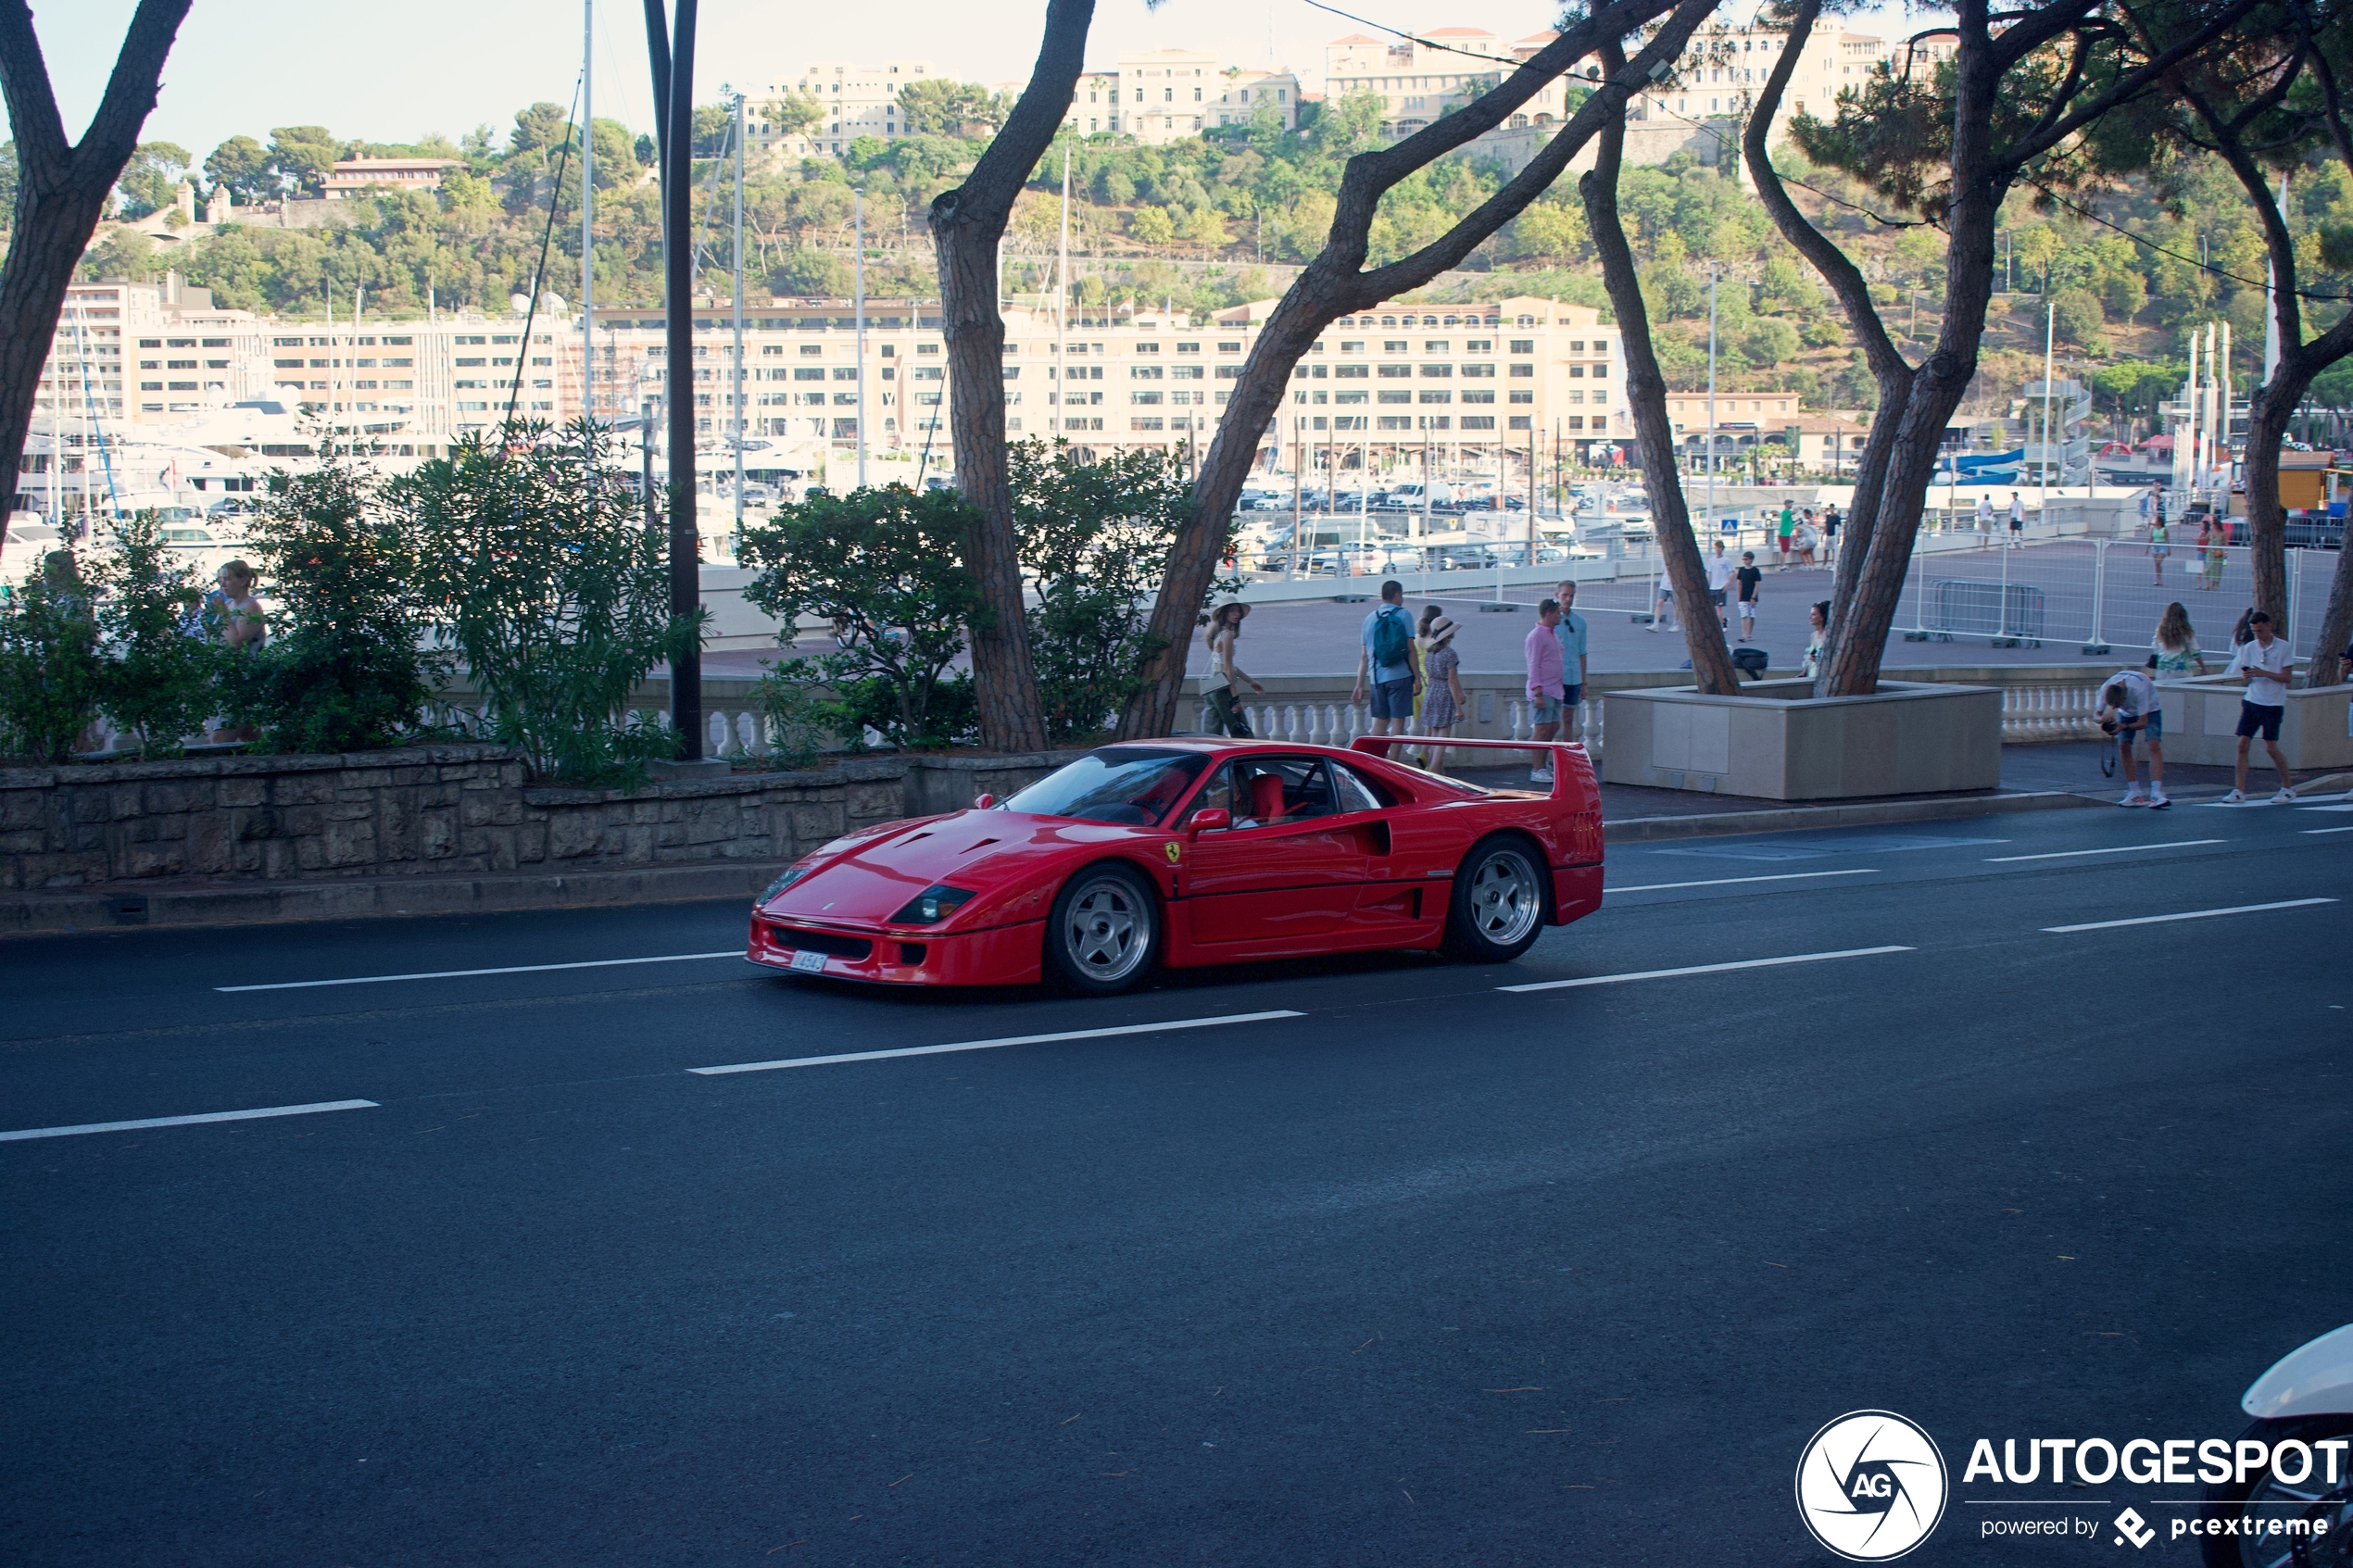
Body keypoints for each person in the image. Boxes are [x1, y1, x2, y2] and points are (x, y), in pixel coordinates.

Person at [2221, 610, 2296, 803]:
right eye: (2255, 631)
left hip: (2273, 703)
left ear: (2269, 627)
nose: (2258, 635)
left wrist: (2264, 673)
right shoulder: (2249, 648)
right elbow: (2246, 676)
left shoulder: (2284, 648)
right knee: (2242, 744)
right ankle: (2239, 790)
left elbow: (2286, 678)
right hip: (2253, 700)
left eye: (2261, 630)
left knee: (2271, 747)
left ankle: (2287, 787)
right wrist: (2248, 676)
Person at [1352, 579, 1419, 737]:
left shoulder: (1369, 619)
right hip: (1399, 675)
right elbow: (1411, 649)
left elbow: (1364, 656)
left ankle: (1373, 760)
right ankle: (1392, 760)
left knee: (1381, 722)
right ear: (1397, 595)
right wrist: (1417, 677)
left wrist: (1360, 684)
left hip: (1376, 678)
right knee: (1398, 721)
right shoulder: (1404, 614)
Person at [2095, 668, 2168, 808]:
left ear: (2125, 696)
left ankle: (2157, 792)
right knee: (2124, 745)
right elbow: (2095, 715)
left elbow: (2143, 722)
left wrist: (2124, 727)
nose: (2116, 708)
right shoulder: (2106, 687)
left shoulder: (2139, 689)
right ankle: (2134, 792)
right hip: (2127, 714)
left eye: (2119, 705)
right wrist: (2103, 719)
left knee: (2153, 743)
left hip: (2151, 709)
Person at [1200, 602, 1262, 737]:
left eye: (1238, 611)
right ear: (1224, 613)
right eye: (1232, 611)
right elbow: (1228, 669)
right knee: (1241, 730)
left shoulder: (1219, 635)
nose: (1237, 615)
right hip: (1222, 686)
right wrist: (1235, 699)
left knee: (1211, 732)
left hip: (1213, 684)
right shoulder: (1227, 635)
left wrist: (1250, 681)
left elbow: (1227, 665)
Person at [1524, 598, 1567, 784]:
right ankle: (1537, 768)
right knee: (1541, 729)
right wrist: (1537, 691)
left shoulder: (1553, 634)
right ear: (1549, 613)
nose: (1560, 616)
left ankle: (1544, 763)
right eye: (1557, 613)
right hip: (1544, 689)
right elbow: (1533, 665)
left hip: (1556, 688)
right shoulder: (1535, 636)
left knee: (1553, 727)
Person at [1417, 612, 1466, 773]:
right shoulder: (1450, 654)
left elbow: (1431, 677)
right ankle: (1433, 769)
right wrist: (1458, 708)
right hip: (1444, 694)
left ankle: (1437, 770)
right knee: (1443, 735)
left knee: (1434, 734)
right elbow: (1452, 681)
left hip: (1431, 692)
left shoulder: (1430, 655)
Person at [1553, 578, 1590, 740]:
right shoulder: (1551, 620)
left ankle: (1566, 754)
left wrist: (1584, 682)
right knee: (1551, 719)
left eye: (1571, 596)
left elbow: (1582, 653)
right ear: (1557, 595)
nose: (1568, 599)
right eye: (1565, 595)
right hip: (1555, 676)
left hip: (1573, 676)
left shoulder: (1580, 622)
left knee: (1568, 717)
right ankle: (1547, 756)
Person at [2152, 601, 2206, 677]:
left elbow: (2155, 646)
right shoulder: (2186, 631)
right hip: (2181, 669)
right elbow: (2195, 651)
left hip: (2163, 669)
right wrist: (2202, 667)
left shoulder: (2160, 629)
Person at [1705, 538, 1734, 628]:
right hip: (1712, 587)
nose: (1718, 549)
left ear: (1722, 549)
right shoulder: (1711, 560)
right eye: (1716, 547)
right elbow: (1709, 573)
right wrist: (1707, 585)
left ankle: (1722, 625)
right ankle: (1722, 620)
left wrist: (1727, 584)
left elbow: (1733, 572)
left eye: (1720, 547)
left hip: (1721, 586)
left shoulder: (1726, 560)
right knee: (1713, 607)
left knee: (1718, 607)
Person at [1733, 550, 1763, 642]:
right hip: (1743, 596)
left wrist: (1753, 597)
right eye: (1743, 559)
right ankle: (1744, 634)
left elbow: (1757, 584)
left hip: (1752, 597)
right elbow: (1739, 583)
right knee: (1743, 616)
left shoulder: (1755, 571)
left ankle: (1749, 634)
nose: (1744, 561)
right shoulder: (1741, 570)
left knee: (1751, 616)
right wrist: (1738, 595)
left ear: (1751, 560)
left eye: (1746, 559)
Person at [1802, 599, 1831, 679]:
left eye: (1814, 614)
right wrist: (1804, 672)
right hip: (1812, 675)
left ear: (1822, 617)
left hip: (1823, 677)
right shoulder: (1813, 636)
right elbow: (1810, 659)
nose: (1810, 617)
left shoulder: (1828, 637)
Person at [2148, 514, 2170, 585]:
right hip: (2155, 545)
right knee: (2156, 564)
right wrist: (2147, 548)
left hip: (2162, 545)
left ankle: (2159, 577)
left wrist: (2169, 549)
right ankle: (2158, 579)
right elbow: (2150, 539)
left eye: (2156, 520)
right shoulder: (2153, 529)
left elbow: (2167, 540)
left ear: (2159, 522)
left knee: (2158, 562)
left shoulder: (2164, 530)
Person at [1776, 500, 1797, 569]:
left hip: (1786, 534)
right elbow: (1793, 512)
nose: (1791, 505)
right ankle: (1782, 566)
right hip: (1784, 534)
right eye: (1790, 503)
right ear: (1786, 504)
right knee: (1783, 551)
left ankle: (1783, 565)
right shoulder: (1786, 512)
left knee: (1784, 550)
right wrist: (1798, 508)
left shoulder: (1786, 513)